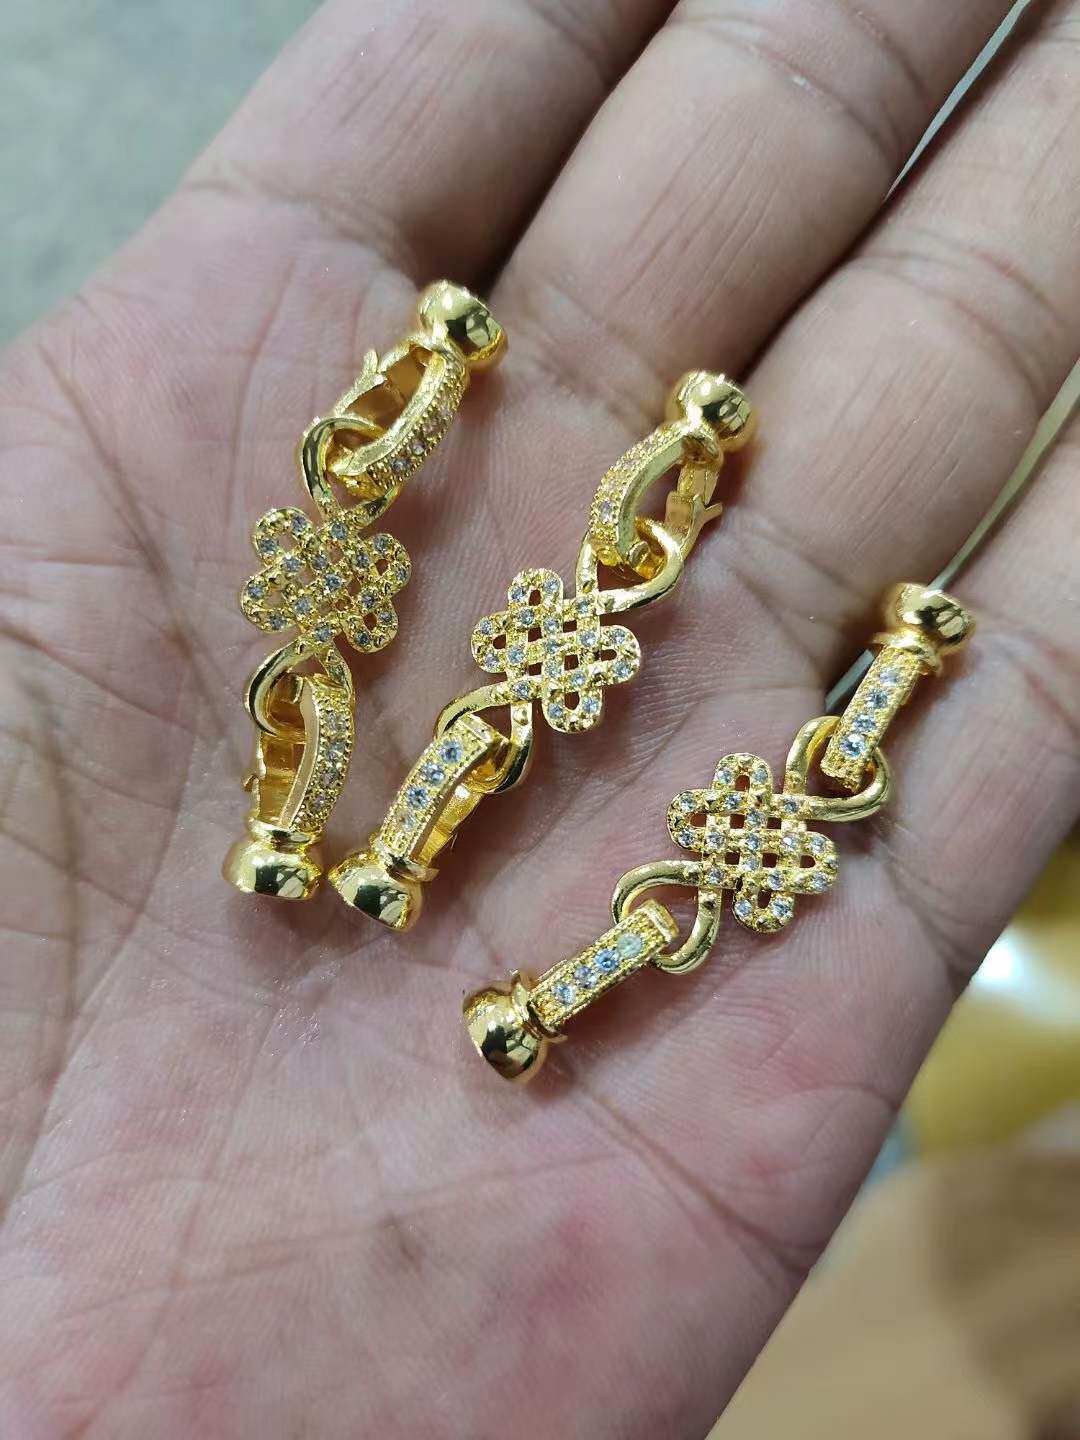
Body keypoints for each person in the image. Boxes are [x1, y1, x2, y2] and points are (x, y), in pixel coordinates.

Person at [0, 1, 1077, 1433]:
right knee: (412, 699)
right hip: (532, 661)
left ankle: (378, 853)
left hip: (561, 673)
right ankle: (356, 847)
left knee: (476, 724)